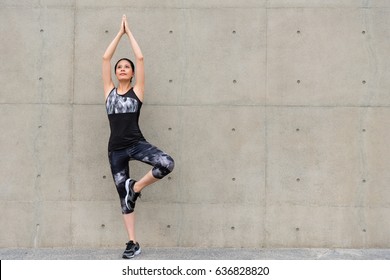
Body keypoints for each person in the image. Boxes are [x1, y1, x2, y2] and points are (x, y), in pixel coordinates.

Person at [102, 15, 175, 259]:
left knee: (166, 163)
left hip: (136, 145)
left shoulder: (137, 92)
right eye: (119, 67)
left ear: (132, 74)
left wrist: (129, 32)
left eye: (127, 67)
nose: (122, 68)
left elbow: (141, 58)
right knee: (124, 199)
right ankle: (132, 243)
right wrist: (118, 34)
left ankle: (136, 186)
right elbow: (105, 58)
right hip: (116, 150)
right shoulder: (109, 92)